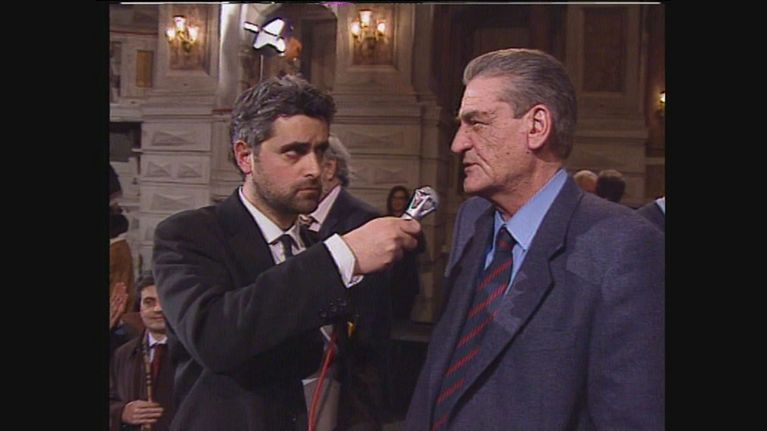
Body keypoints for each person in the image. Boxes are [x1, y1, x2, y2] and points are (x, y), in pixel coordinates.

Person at [404, 48, 664, 431]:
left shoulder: (623, 245)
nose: (458, 143)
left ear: (537, 126)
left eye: (477, 123)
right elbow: (441, 374)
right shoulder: (472, 219)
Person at [152, 75, 421, 431]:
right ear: (245, 156)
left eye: (320, 151)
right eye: (294, 152)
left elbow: (356, 365)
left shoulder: (319, 247)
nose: (314, 169)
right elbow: (215, 338)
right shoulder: (189, 235)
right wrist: (339, 257)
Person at [302, 135, 389, 430]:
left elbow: (370, 316)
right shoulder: (295, 220)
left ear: (329, 168)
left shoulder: (364, 222)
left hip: (350, 376)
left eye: (306, 160)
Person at [110, 273, 175, 431]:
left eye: (164, 301)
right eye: (149, 302)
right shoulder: (123, 354)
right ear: (140, 309)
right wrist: (122, 412)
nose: (158, 309)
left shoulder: (195, 353)